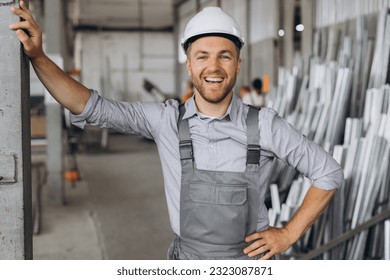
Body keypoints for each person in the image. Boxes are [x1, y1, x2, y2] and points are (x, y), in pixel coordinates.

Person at [10, 2, 343, 260]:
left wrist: (288, 234)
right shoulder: (166, 121)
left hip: (248, 264)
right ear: (189, 64)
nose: (213, 67)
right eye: (202, 57)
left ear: (238, 64)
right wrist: (38, 56)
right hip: (187, 262)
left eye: (224, 57)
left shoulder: (266, 126)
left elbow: (327, 172)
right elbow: (89, 106)